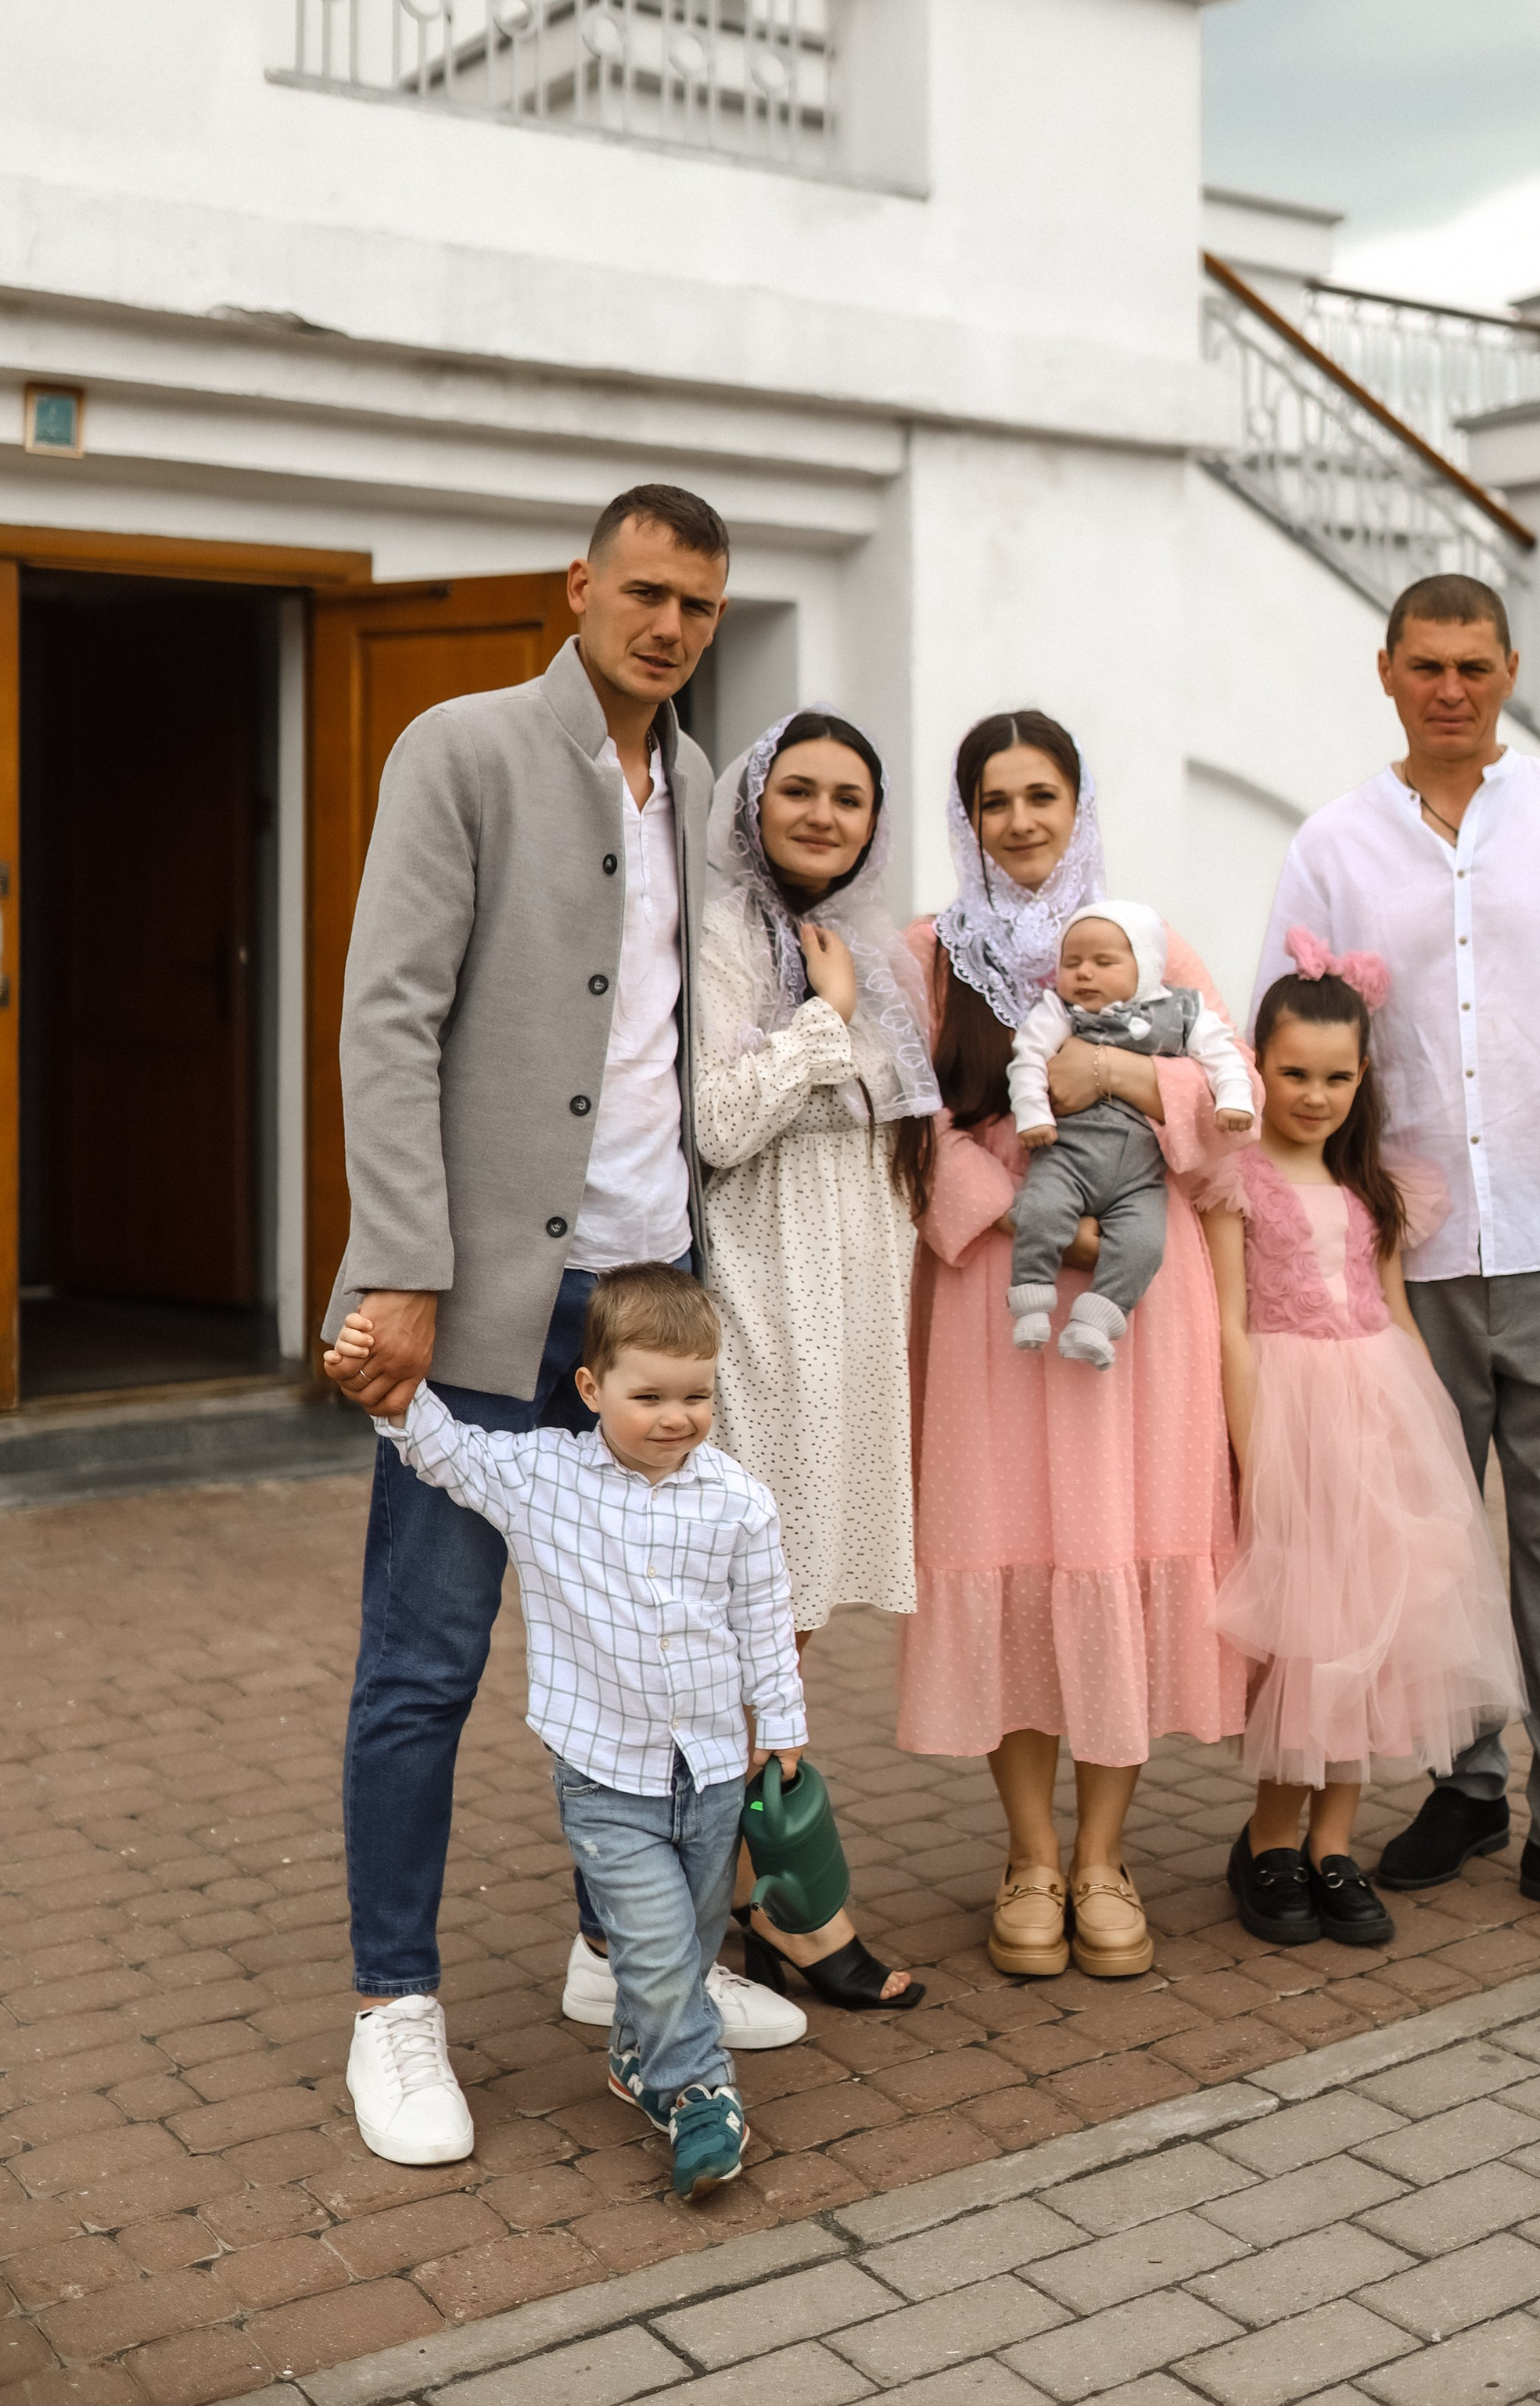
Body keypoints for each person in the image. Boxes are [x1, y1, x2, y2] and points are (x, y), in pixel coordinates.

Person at [327, 481, 801, 2173]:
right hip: (479, 1305)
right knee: (426, 1668)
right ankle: (395, 2007)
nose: (669, 625)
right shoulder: (461, 748)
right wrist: (399, 1267)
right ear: (581, 585)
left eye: (700, 604)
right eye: (646, 592)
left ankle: (623, 1967)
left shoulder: (694, 791)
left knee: (651, 1663)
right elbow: (386, 1020)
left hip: (638, 1301)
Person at [1255, 570, 1540, 1959]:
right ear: (1385, 671)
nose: (1451, 688)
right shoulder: (1332, 843)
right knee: (1429, 1541)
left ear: (1509, 669)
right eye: (1426, 666)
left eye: (1475, 665)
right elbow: (1292, 1036)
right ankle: (1463, 1789)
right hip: (1403, 1255)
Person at [326, 1265, 803, 2202]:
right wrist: (386, 1377)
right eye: (650, 1396)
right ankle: (695, 2096)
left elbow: (764, 1619)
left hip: (707, 1770)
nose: (677, 1417)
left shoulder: (740, 1502)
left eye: (697, 1396)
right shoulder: (544, 1476)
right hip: (605, 1773)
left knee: (692, 1941)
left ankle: (636, 2047)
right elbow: (446, 1452)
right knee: (662, 1946)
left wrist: (781, 1723)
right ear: (590, 1391)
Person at [898, 712, 1249, 1983]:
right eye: (996, 802)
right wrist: (1026, 1216)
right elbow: (906, 1132)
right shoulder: (927, 957)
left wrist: (1108, 1075)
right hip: (1000, 1299)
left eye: (1043, 795)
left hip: (1136, 1318)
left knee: (1112, 1549)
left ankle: (1106, 1856)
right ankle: (1029, 1855)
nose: (1023, 821)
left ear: (1079, 804)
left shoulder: (1149, 941)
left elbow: (1229, 1102)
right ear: (969, 819)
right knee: (1017, 1556)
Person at [1204, 942, 1522, 1953]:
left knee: (1375, 1643)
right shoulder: (1236, 1178)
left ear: (1362, 1077)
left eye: (1337, 1076)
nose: (1315, 1094)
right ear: (1257, 1064)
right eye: (1294, 1073)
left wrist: (1425, 1444)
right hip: (1291, 1420)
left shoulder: (1374, 1187)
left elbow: (1396, 1318)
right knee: (1309, 1639)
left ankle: (1335, 1846)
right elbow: (1227, 1326)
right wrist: (1258, 1462)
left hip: (1376, 1422)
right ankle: (1268, 1843)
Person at [695, 706, 935, 2011]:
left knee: (785, 1616)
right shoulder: (728, 934)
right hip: (765, 1284)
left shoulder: (863, 946)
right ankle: (798, 1911)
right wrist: (824, 1021)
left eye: (850, 797)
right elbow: (724, 1122)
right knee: (757, 1613)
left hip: (851, 1293)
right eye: (801, 789)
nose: (826, 815)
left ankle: (758, 1901)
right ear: (754, 800)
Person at [1008, 899, 1254, 1366]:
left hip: (1141, 1173)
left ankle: (1097, 1321)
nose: (1084, 974)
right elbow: (1029, 1058)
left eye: (1104, 963)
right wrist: (1034, 1114)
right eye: (1072, 963)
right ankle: (1032, 1298)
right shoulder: (1060, 1010)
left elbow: (1225, 1055)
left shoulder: (1183, 1009)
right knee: (1040, 1209)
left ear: (1146, 966)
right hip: (1067, 1154)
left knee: (1144, 1245)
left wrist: (1233, 1099)